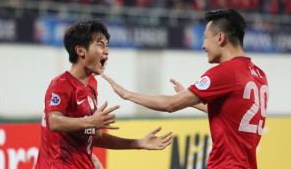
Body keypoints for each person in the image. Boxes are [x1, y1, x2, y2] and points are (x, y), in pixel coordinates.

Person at [102, 9, 269, 169]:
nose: (203, 45)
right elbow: (232, 113)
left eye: (205, 38)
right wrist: (191, 99)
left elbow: (170, 105)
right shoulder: (259, 74)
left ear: (220, 38)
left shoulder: (225, 72)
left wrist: (127, 94)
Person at [35, 19, 172, 169]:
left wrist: (138, 143)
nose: (106, 51)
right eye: (100, 45)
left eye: (107, 45)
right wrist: (91, 122)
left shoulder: (91, 84)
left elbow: (95, 136)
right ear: (81, 51)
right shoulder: (61, 84)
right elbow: (54, 122)